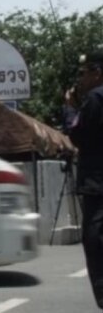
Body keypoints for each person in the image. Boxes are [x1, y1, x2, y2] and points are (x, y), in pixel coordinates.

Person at [67, 49, 103, 310]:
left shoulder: (94, 99)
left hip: (98, 185)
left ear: (97, 73)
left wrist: (70, 110)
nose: (80, 79)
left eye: (83, 73)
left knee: (95, 240)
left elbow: (78, 136)